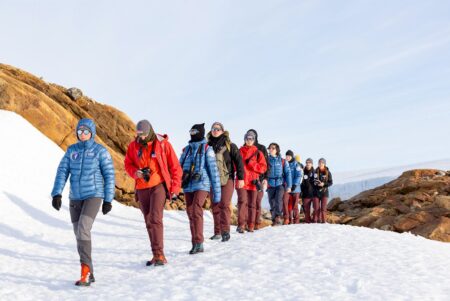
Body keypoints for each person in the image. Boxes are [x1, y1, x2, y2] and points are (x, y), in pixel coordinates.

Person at [51, 118, 115, 286]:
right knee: (79, 234)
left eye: (86, 131)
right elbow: (62, 171)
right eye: (80, 131)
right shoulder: (72, 150)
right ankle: (89, 271)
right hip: (75, 197)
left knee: (83, 229)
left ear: (92, 133)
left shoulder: (100, 151)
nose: (83, 134)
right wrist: (57, 193)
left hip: (94, 195)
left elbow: (109, 176)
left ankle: (85, 271)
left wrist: (108, 199)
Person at [124, 120, 182, 266]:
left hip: (158, 186)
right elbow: (128, 164)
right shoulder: (133, 146)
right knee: (148, 220)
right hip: (142, 187)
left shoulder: (162, 144)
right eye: (138, 135)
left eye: (143, 135)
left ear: (149, 132)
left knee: (155, 218)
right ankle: (155, 254)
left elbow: (175, 166)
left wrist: (175, 187)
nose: (141, 138)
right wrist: (136, 173)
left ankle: (160, 255)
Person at [179, 123, 221, 254]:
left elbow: (214, 172)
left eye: (195, 131)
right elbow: (178, 168)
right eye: (191, 131)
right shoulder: (186, 150)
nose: (192, 133)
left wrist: (217, 194)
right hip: (188, 185)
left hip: (202, 184)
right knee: (190, 212)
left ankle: (199, 243)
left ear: (201, 132)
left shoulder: (207, 149)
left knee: (196, 209)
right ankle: (195, 243)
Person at [207, 122, 245, 242]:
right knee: (215, 205)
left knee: (224, 204)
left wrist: (241, 178)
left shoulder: (230, 145)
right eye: (213, 129)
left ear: (223, 131)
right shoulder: (207, 146)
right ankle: (217, 232)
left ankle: (225, 231)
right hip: (213, 179)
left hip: (227, 178)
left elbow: (239, 162)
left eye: (218, 129)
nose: (215, 130)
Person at [237, 131, 267, 233]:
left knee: (252, 204)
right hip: (242, 181)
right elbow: (234, 165)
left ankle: (251, 225)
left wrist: (252, 164)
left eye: (251, 139)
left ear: (254, 140)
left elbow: (263, 168)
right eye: (247, 138)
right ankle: (241, 225)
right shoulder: (239, 151)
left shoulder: (258, 153)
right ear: (244, 139)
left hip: (253, 182)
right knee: (242, 202)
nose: (249, 140)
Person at [245, 129, 269, 230]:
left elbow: (267, 165)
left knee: (257, 201)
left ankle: (256, 222)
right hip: (246, 180)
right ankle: (248, 223)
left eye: (252, 135)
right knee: (247, 202)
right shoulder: (243, 148)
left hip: (259, 179)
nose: (250, 138)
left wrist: (266, 178)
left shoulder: (261, 148)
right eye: (248, 136)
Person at [266, 143, 292, 226]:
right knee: (271, 202)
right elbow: (263, 172)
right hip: (270, 184)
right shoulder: (266, 160)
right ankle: (274, 219)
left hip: (280, 183)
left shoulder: (282, 161)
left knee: (278, 200)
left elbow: (288, 173)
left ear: (277, 150)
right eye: (270, 148)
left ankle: (277, 217)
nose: (271, 149)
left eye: (273, 148)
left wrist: (289, 186)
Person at [285, 150, 303, 224]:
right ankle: (290, 220)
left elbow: (299, 175)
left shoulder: (296, 165)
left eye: (289, 156)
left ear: (292, 156)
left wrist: (295, 185)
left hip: (296, 189)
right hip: (288, 188)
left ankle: (296, 221)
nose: (287, 157)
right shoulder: (285, 164)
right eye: (286, 156)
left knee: (295, 206)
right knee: (288, 205)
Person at [315, 158, 333, 223]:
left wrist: (324, 184)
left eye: (322, 163)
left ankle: (324, 221)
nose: (320, 164)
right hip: (316, 192)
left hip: (324, 192)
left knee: (323, 208)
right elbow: (312, 181)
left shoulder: (328, 172)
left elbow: (331, 182)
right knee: (317, 208)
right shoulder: (315, 171)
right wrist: (316, 183)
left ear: (324, 164)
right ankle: (318, 221)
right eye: (319, 163)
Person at [301, 158, 317, 223]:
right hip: (305, 194)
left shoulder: (315, 172)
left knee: (316, 208)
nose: (308, 164)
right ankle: (308, 221)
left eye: (309, 163)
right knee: (306, 210)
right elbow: (300, 183)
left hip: (314, 194)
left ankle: (315, 220)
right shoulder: (302, 171)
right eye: (307, 162)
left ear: (312, 164)